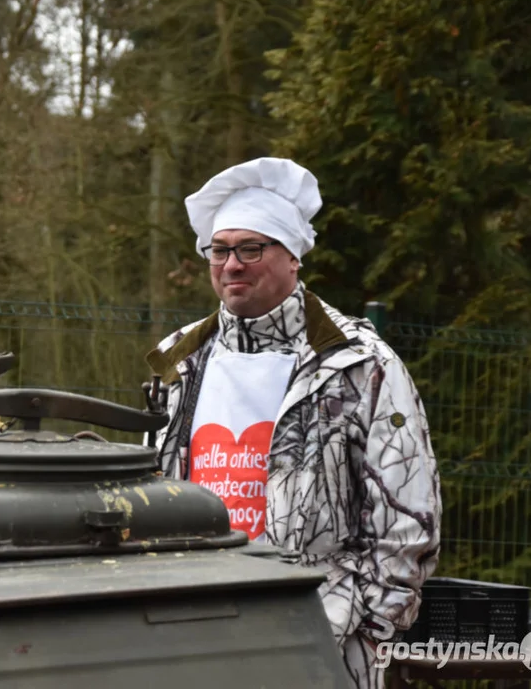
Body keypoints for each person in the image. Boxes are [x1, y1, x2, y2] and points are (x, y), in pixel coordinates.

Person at [144, 157, 441, 689]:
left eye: (251, 248)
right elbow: (144, 493)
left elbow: (408, 520)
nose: (231, 264)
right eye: (220, 249)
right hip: (187, 626)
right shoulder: (177, 363)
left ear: (292, 257)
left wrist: (366, 635)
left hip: (314, 634)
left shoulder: (359, 365)